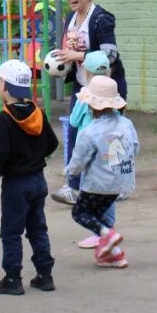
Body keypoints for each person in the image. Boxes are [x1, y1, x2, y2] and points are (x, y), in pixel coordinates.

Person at [0, 59, 59, 295]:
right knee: (38, 229)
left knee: (11, 232)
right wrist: (35, 156)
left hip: (16, 184)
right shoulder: (38, 113)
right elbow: (52, 143)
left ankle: (13, 278)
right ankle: (45, 275)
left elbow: (2, 152)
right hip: (38, 180)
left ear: (5, 86)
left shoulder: (4, 118)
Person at [51, 0, 128, 206]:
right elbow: (69, 48)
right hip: (82, 87)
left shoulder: (101, 18)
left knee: (112, 138)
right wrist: (61, 61)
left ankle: (120, 186)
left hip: (107, 87)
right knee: (76, 133)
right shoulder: (70, 18)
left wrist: (78, 55)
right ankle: (73, 188)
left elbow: (110, 54)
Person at [64, 76, 139, 269]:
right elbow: (135, 148)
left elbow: (78, 160)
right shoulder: (127, 123)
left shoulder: (90, 131)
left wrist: (70, 173)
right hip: (122, 181)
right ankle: (115, 255)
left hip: (98, 183)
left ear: (91, 105)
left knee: (80, 213)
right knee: (99, 216)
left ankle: (108, 236)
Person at [65, 51, 117, 250]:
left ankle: (100, 232)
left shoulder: (85, 96)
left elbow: (74, 121)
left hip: (89, 150)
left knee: (91, 191)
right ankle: (109, 227)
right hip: (109, 147)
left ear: (86, 73)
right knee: (108, 190)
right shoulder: (113, 93)